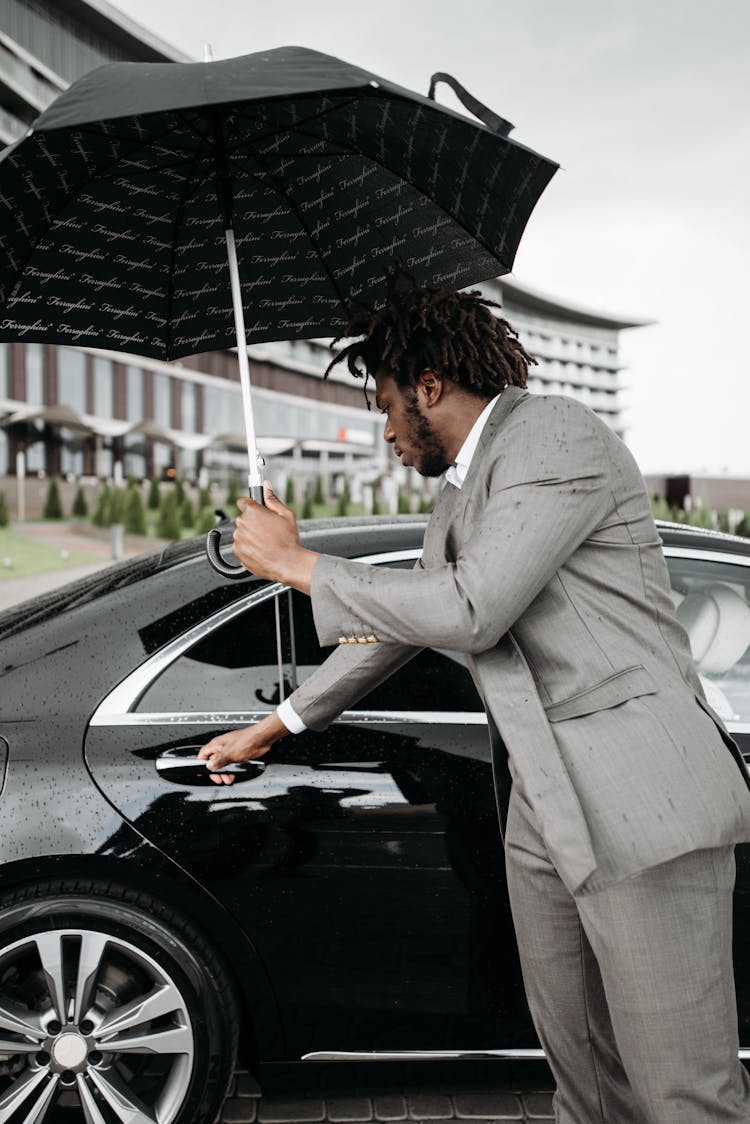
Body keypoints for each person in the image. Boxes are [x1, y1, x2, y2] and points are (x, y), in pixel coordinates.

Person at [198, 273, 750, 1123]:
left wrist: (299, 566)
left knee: (682, 1091)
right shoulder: (461, 492)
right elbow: (403, 622)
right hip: (545, 808)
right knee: (586, 1080)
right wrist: (273, 727)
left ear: (430, 386)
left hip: (645, 801)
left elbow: (472, 607)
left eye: (385, 404)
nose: (384, 430)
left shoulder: (554, 436)